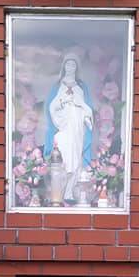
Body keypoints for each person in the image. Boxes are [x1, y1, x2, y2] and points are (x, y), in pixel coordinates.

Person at [44, 53, 93, 203]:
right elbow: (51, 107)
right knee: (64, 157)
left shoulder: (81, 87)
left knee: (76, 158)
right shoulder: (58, 86)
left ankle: (70, 193)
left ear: (76, 68)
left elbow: (86, 108)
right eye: (68, 64)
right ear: (64, 66)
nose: (70, 67)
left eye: (73, 64)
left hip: (77, 127)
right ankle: (60, 193)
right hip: (64, 126)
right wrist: (63, 100)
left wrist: (85, 115)